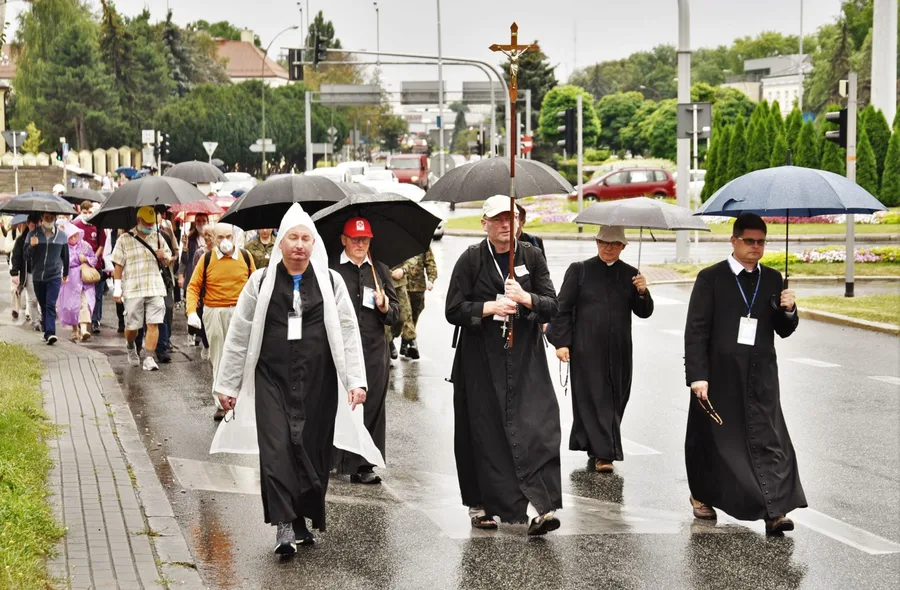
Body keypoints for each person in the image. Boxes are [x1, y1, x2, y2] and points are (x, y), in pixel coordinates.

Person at [210, 203, 381, 556]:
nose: (299, 245)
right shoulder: (260, 282)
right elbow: (240, 334)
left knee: (313, 451)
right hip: (272, 380)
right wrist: (227, 386)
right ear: (281, 244)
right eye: (293, 238)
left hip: (318, 383)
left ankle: (302, 519)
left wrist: (355, 380)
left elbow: (348, 332)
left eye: (306, 238)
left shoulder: (331, 282)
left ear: (314, 244)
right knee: (277, 450)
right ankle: (284, 525)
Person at [445, 195, 562, 536]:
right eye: (496, 219)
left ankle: (543, 507)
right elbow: (454, 309)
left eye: (510, 218)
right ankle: (480, 504)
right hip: (480, 361)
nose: (504, 225)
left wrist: (526, 299)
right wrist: (488, 308)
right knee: (483, 434)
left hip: (524, 359)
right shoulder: (470, 260)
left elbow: (553, 305)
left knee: (539, 429)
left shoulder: (531, 256)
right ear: (484, 223)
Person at [684, 213, 804, 535]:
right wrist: (697, 375)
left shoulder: (774, 279)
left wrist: (789, 310)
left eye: (761, 241)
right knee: (714, 443)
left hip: (760, 376)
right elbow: (695, 330)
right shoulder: (710, 279)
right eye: (749, 241)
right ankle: (702, 495)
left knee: (768, 440)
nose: (755, 247)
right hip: (719, 377)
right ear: (733, 240)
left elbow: (783, 329)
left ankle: (775, 512)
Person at [549, 226, 654, 474]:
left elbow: (644, 311)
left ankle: (593, 444)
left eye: (615, 244)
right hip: (587, 350)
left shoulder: (631, 274)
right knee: (594, 399)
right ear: (596, 242)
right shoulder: (580, 270)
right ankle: (604, 455)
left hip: (619, 352)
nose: (608, 247)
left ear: (623, 247)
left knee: (616, 400)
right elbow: (561, 308)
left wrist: (642, 291)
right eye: (604, 242)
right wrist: (562, 342)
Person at [330, 217, 400, 485]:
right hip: (339, 349)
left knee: (371, 406)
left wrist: (385, 307)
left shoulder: (379, 271)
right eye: (355, 239)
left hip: (373, 349)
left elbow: (396, 315)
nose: (361, 244)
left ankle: (363, 463)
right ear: (344, 240)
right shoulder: (331, 271)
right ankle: (333, 458)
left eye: (365, 239)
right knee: (337, 402)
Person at [186, 223, 256, 420]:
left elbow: (255, 286)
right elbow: (193, 286)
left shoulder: (245, 256)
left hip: (241, 312)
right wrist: (192, 312)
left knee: (243, 356)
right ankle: (220, 403)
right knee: (218, 357)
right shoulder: (207, 259)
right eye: (220, 238)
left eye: (228, 236)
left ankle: (241, 400)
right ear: (213, 239)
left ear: (234, 236)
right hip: (214, 311)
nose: (225, 241)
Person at [110, 206, 173, 371]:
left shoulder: (158, 237)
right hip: (133, 288)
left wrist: (164, 257)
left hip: (154, 287)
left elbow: (168, 261)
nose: (151, 226)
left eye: (152, 223)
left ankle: (149, 357)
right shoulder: (124, 239)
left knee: (154, 323)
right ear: (138, 221)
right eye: (147, 223)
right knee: (132, 327)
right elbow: (118, 265)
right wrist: (117, 289)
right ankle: (130, 345)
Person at [25, 212, 70, 345]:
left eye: (51, 217)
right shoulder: (33, 234)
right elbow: (26, 256)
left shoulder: (62, 236)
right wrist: (31, 246)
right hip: (38, 276)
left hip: (54, 276)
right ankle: (47, 330)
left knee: (50, 304)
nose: (49, 219)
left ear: (55, 218)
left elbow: (65, 256)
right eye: (46, 217)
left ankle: (50, 332)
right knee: (43, 304)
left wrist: (65, 272)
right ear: (42, 218)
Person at [58, 223, 98, 342]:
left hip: (84, 280)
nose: (73, 239)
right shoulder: (63, 247)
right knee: (71, 306)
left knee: (84, 303)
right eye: (70, 236)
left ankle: (84, 329)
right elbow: (61, 262)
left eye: (75, 236)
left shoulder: (85, 246)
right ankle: (75, 329)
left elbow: (94, 259)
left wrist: (86, 259)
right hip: (70, 280)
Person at [73, 201, 106, 334]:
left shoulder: (98, 226)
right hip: (80, 267)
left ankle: (95, 320)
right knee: (82, 296)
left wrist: (93, 259)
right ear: (81, 212)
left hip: (95, 266)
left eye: (89, 212)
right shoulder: (76, 226)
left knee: (97, 294)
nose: (87, 215)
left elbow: (101, 245)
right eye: (84, 212)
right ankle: (82, 320)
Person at [399, 247, 438, 359]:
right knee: (407, 314)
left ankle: (404, 343)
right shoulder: (398, 242)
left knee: (415, 314)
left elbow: (430, 262)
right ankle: (412, 342)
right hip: (402, 286)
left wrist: (431, 279)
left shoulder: (421, 244)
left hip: (418, 286)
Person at [9, 215, 42, 328]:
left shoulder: (46, 237)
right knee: (32, 299)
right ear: (28, 224)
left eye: (37, 223)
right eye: (32, 223)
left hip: (43, 272)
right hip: (29, 272)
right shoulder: (22, 240)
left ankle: (43, 319)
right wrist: (14, 273)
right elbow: (17, 256)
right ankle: (35, 321)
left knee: (42, 298)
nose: (35, 226)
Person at [179, 213, 209, 299]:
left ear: (208, 222)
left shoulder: (212, 239)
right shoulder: (190, 239)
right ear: (195, 222)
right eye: (198, 221)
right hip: (192, 275)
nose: (201, 223)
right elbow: (184, 260)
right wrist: (185, 246)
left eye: (204, 221)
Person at [386, 262, 411, 360]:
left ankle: (390, 337)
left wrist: (403, 269)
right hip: (380, 282)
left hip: (399, 283)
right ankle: (388, 343)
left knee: (402, 317)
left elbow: (413, 258)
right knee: (384, 317)